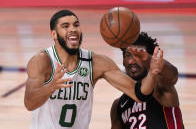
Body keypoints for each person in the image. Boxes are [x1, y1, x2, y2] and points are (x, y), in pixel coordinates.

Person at [24, 10, 163, 129]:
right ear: (54, 34)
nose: (73, 29)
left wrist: (152, 73)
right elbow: (29, 103)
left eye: (76, 25)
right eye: (65, 26)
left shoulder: (96, 63)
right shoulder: (43, 60)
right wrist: (51, 86)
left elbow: (139, 94)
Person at [110, 32, 184, 129]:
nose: (132, 61)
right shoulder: (118, 105)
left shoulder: (159, 85)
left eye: (139, 56)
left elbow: (172, 76)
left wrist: (151, 60)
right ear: (123, 61)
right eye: (128, 55)